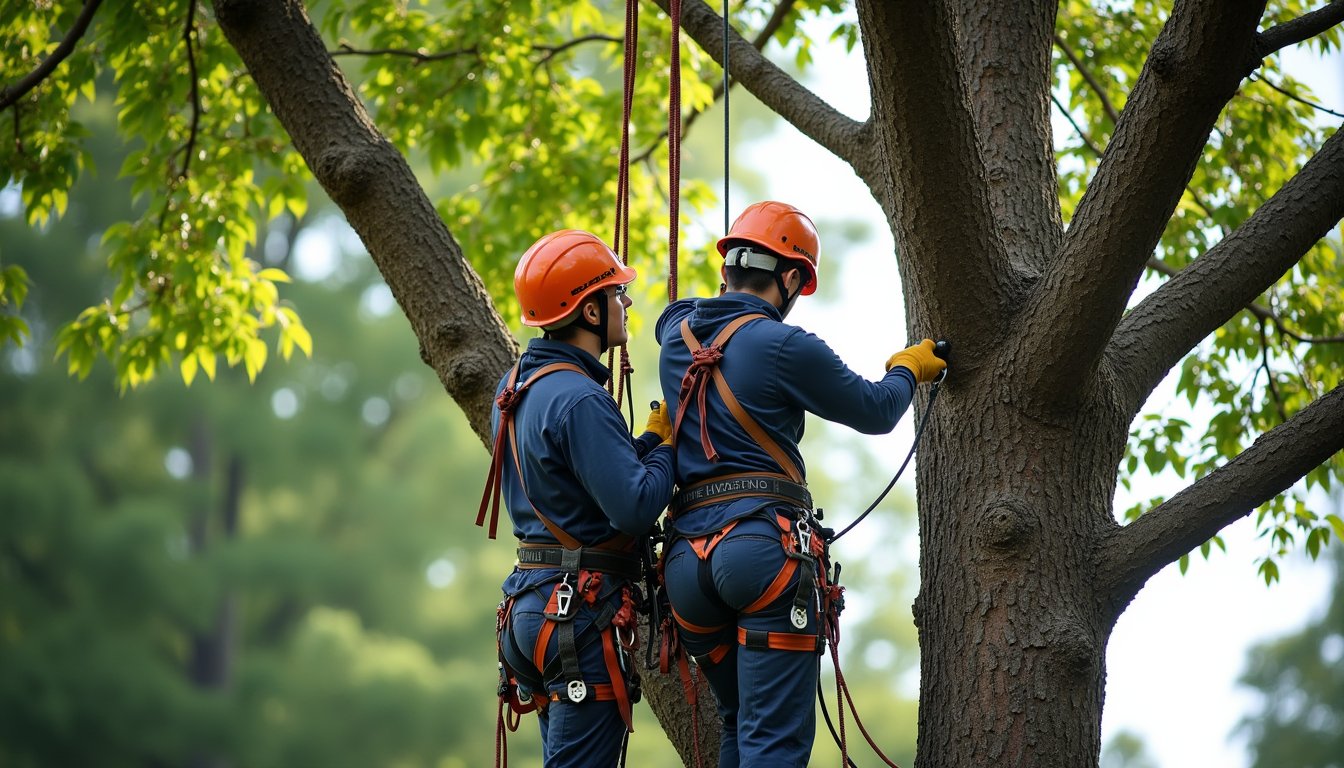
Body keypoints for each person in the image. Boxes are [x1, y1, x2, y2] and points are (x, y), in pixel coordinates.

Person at [655, 201, 945, 767]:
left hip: (688, 567)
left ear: (728, 266)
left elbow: (679, 312)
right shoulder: (786, 346)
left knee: (740, 723)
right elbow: (877, 408)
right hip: (760, 552)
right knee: (775, 741)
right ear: (791, 277)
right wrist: (910, 366)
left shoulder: (675, 333)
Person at [479, 229, 675, 767]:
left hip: (532, 603)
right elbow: (635, 506)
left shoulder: (515, 387)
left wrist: (647, 441)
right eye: (616, 294)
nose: (627, 302)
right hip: (576, 615)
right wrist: (669, 449)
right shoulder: (581, 397)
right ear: (590, 312)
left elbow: (574, 481)